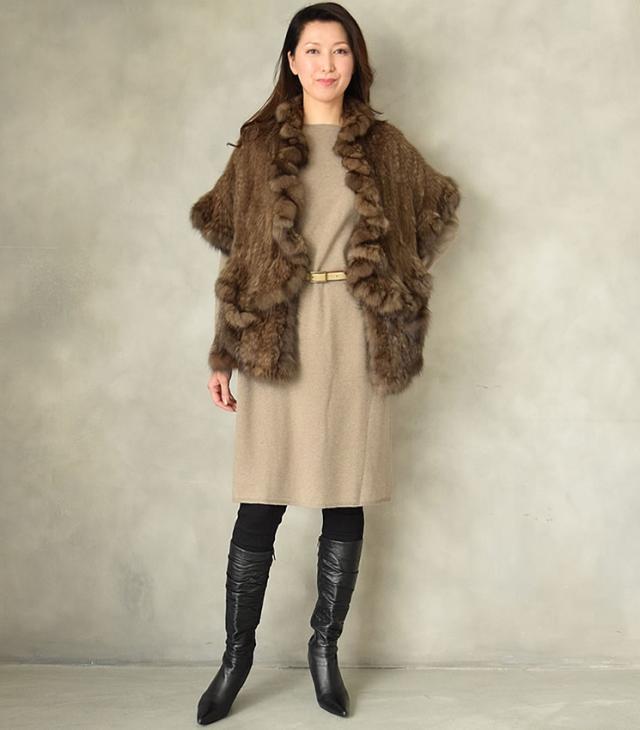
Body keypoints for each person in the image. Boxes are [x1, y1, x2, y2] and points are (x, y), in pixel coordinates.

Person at [189, 3, 461, 725]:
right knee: (261, 500)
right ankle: (235, 660)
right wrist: (223, 351)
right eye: (312, 50)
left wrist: (395, 283)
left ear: (355, 61)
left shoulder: (384, 147)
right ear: (291, 61)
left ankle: (324, 651)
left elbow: (436, 209)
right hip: (277, 333)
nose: (327, 64)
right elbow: (240, 261)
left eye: (340, 50)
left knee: (345, 496)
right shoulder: (258, 149)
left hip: (354, 335)